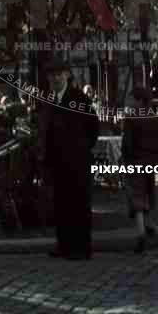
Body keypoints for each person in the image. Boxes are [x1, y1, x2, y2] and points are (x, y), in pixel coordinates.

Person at [38, 57, 99, 260]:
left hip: (77, 162)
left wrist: (79, 150)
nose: (55, 78)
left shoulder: (79, 98)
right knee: (61, 205)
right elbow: (45, 129)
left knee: (79, 205)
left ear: (67, 75)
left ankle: (81, 248)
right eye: (51, 75)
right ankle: (64, 244)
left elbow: (93, 128)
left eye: (58, 74)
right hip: (56, 163)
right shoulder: (49, 99)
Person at [122, 86, 158, 253]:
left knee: (137, 196)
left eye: (131, 98)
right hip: (150, 161)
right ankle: (150, 224)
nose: (128, 102)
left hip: (134, 161)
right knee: (148, 190)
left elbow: (126, 144)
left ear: (138, 100)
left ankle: (141, 232)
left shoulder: (130, 118)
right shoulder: (155, 118)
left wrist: (125, 160)